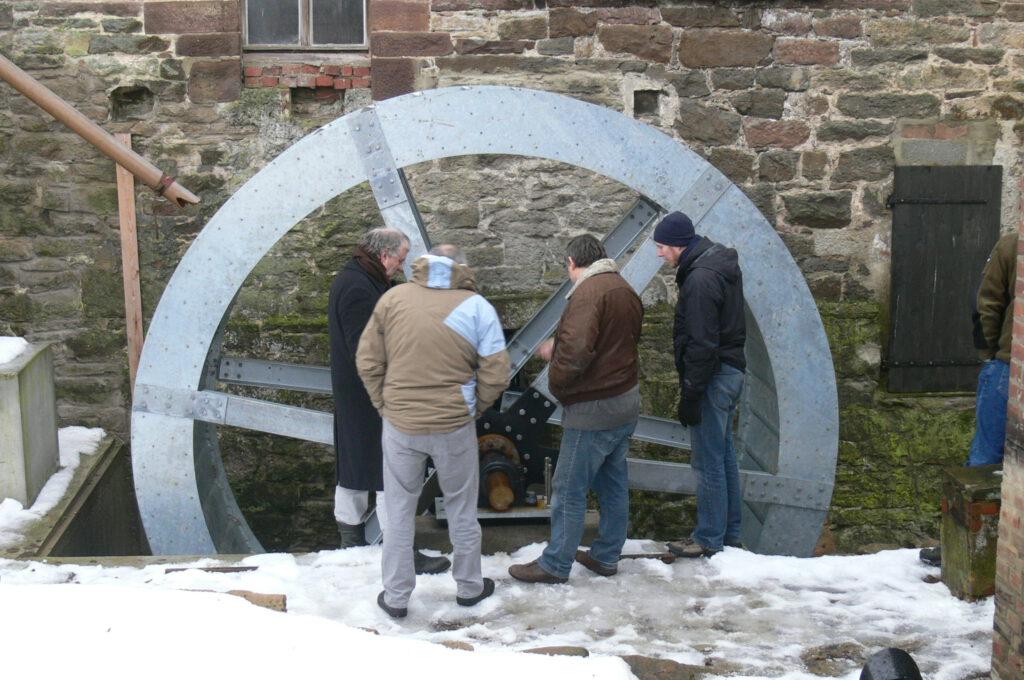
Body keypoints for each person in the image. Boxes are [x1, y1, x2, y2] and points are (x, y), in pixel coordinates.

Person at [356, 244, 510, 618]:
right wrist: (473, 407)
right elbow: (497, 372)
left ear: (422, 265)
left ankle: (395, 596)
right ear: (461, 267)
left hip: (401, 424)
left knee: (398, 509)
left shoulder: (393, 299)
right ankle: (470, 587)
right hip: (453, 424)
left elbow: (368, 360)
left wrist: (385, 405)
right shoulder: (476, 306)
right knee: (461, 506)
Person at [508, 235, 643, 584]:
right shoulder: (622, 288)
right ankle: (607, 555)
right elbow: (614, 342)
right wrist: (564, 346)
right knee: (613, 483)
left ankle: (555, 564)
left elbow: (579, 351)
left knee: (568, 487)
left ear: (571, 262)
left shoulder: (587, 293)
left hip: (594, 410)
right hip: (625, 402)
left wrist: (559, 383)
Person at [328, 227, 449, 576]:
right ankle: (400, 555)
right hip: (372, 399)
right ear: (383, 256)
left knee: (355, 474)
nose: (402, 265)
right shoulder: (356, 288)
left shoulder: (363, 281)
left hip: (361, 398)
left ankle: (352, 551)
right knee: (389, 475)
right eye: (400, 258)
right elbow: (366, 351)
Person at [919, 230, 1018, 567]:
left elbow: (987, 303)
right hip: (1007, 362)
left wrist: (991, 353)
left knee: (985, 462)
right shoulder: (1012, 245)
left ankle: (962, 553)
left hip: (1008, 366)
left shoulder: (1013, 243)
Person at [653, 211, 747, 559]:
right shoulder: (715, 267)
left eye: (662, 247)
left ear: (678, 245)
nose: (660, 254)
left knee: (708, 462)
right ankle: (730, 533)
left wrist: (691, 394)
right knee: (723, 458)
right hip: (730, 371)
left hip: (714, 377)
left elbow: (702, 344)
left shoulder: (700, 280)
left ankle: (709, 537)